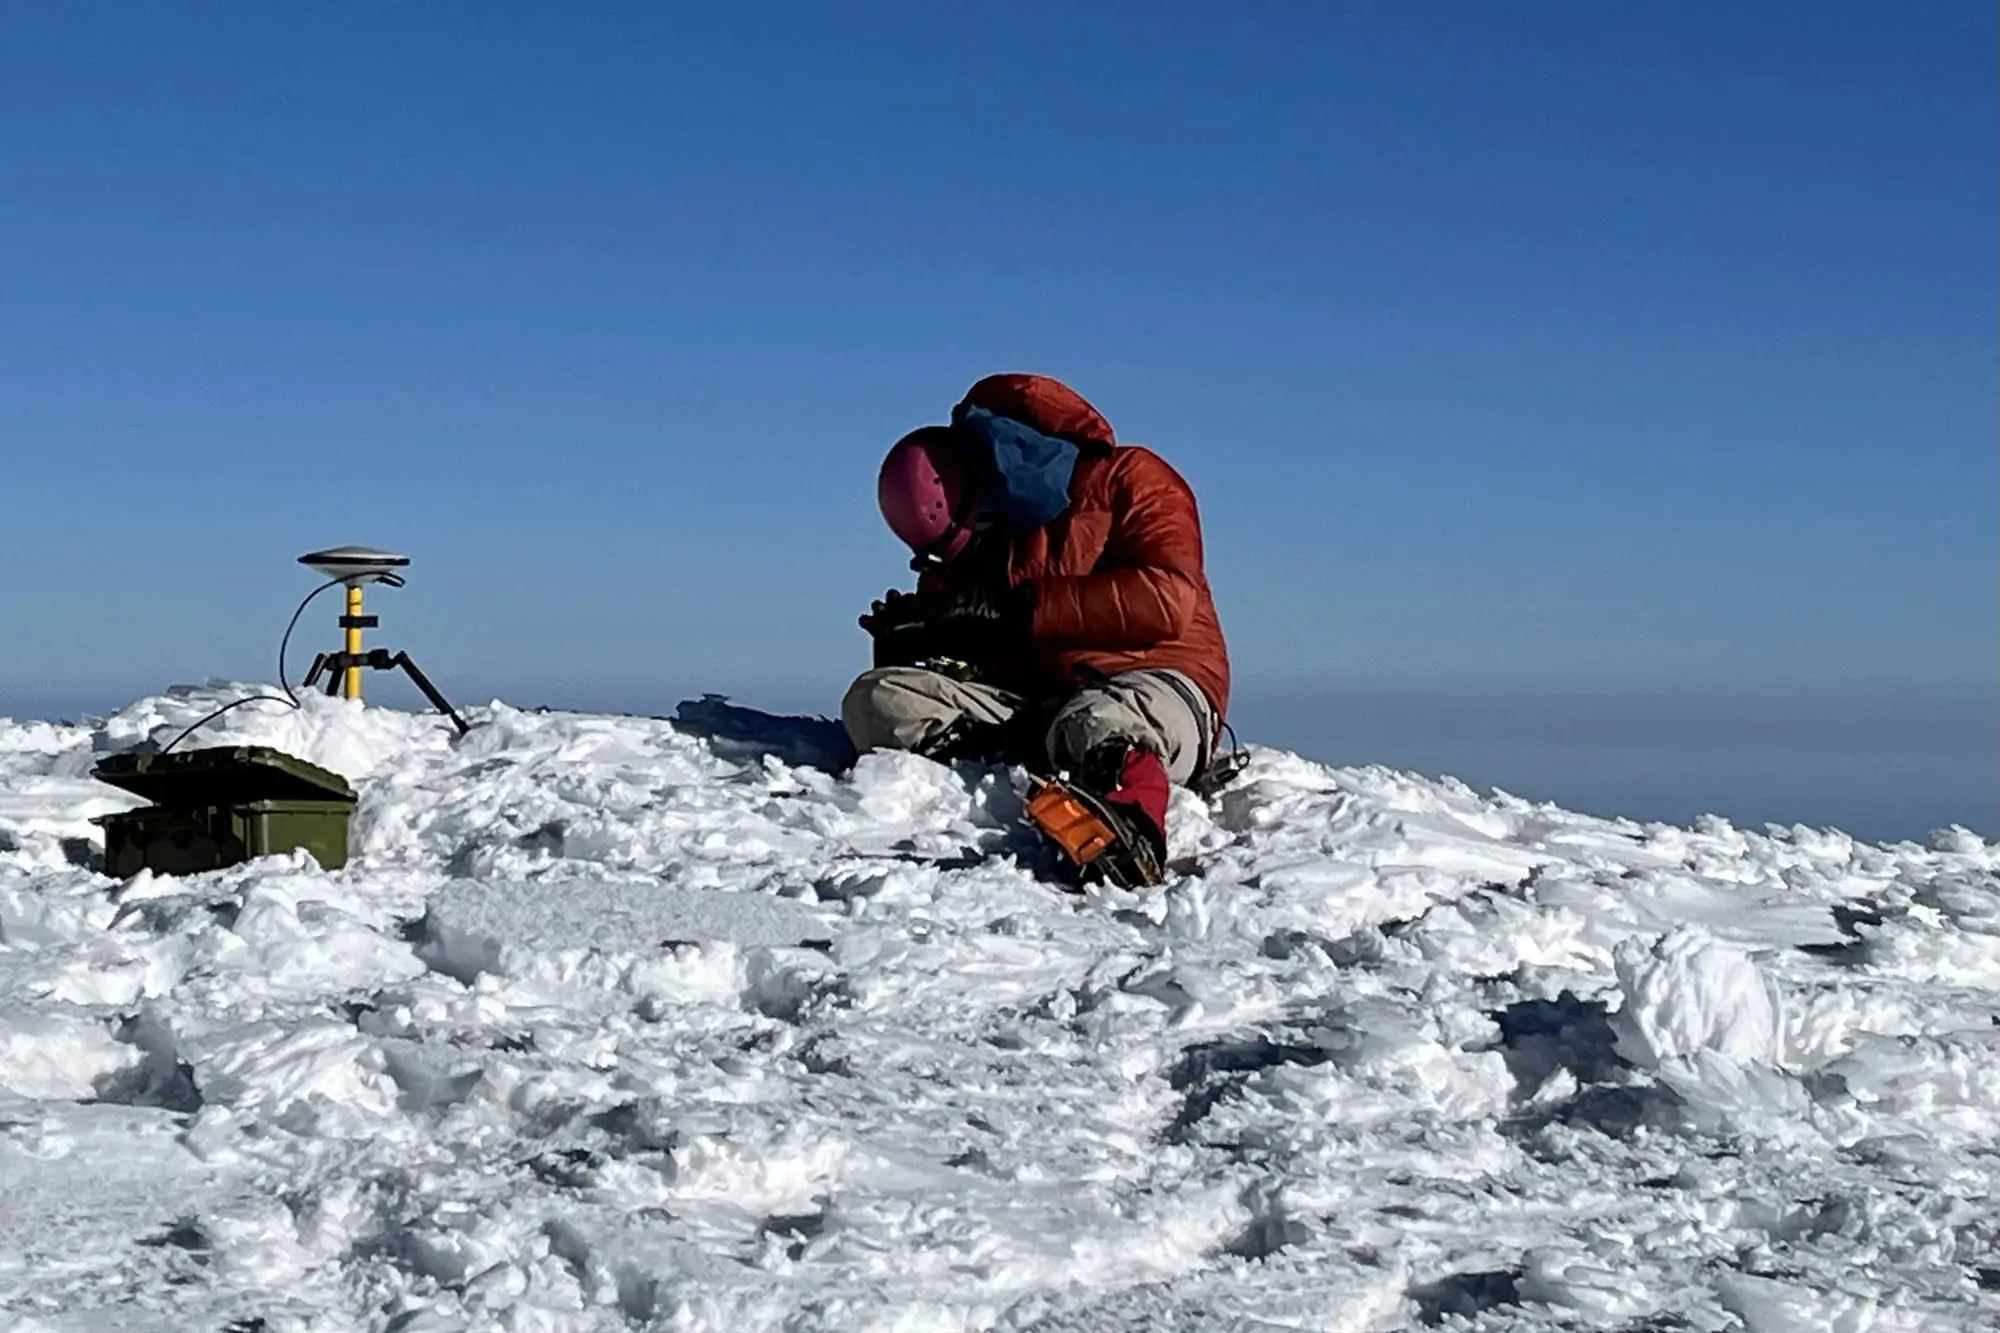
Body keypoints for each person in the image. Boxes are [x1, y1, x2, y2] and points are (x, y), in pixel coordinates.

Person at [842, 372, 1231, 887]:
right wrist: (915, 640)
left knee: (1099, 720)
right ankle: (1024, 762)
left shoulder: (1133, 479)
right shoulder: (984, 543)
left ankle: (1127, 825)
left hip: (1154, 680)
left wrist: (1014, 609)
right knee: (878, 700)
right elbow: (973, 646)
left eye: (973, 534)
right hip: (1037, 700)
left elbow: (1166, 600)